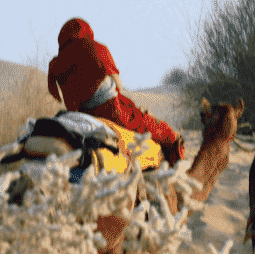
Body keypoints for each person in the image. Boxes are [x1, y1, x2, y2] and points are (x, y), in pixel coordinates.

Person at [47, 18, 185, 166]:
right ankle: (177, 171)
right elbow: (119, 85)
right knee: (164, 132)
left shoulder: (55, 65)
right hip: (112, 112)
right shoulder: (97, 48)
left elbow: (57, 96)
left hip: (80, 116)